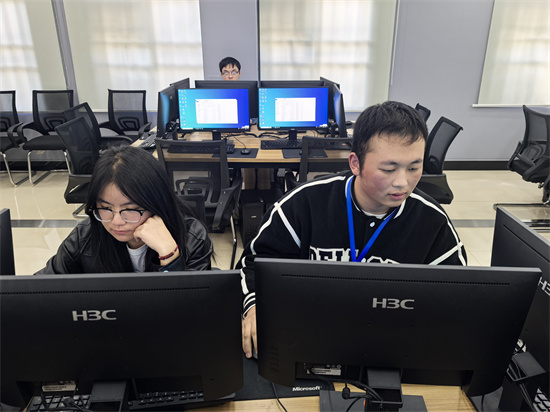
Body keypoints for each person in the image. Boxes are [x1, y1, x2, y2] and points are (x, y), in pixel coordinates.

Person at [238, 101, 467, 358]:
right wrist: (254, 307)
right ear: (355, 163)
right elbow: (253, 264)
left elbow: (457, 295)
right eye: (388, 169)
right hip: (309, 336)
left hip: (391, 345)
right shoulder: (303, 204)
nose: (403, 182)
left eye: (414, 168)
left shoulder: (432, 222)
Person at [36, 145, 213, 274]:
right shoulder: (85, 236)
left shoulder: (191, 237)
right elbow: (41, 289)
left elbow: (194, 306)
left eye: (131, 209)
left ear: (156, 204)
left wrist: (169, 254)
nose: (116, 222)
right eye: (106, 208)